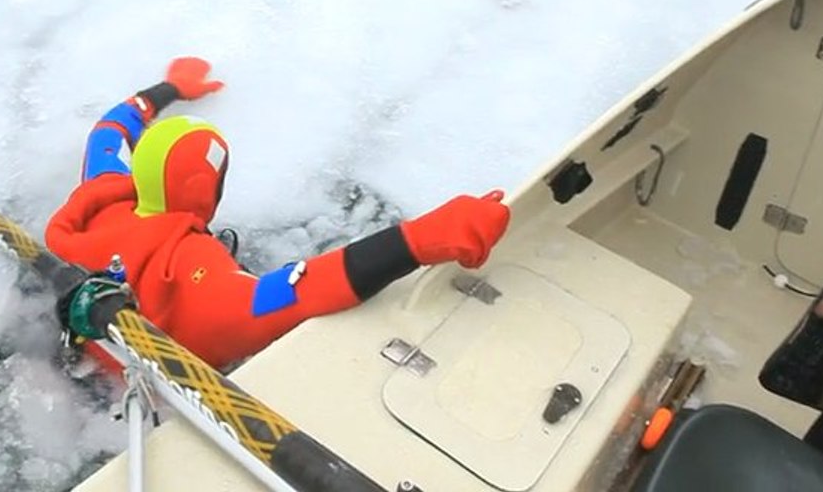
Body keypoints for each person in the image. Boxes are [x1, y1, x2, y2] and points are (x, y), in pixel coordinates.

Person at [44, 56, 511, 370]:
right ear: (204, 187)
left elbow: (109, 131)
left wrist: (169, 89)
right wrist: (420, 239)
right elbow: (290, 295)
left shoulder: (105, 192)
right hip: (131, 389)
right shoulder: (194, 266)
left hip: (74, 345)